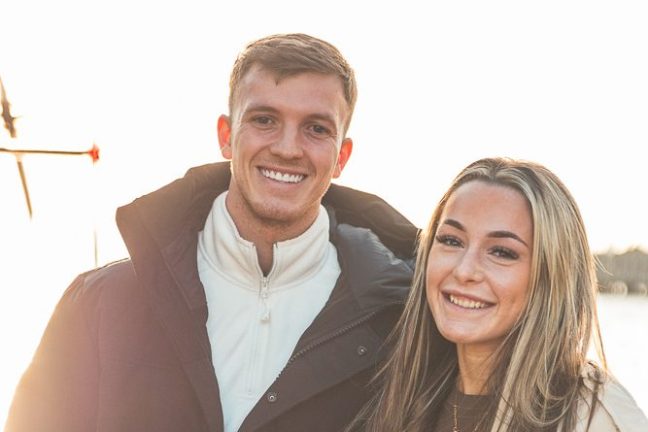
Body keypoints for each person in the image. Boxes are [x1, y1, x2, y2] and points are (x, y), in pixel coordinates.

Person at [4, 34, 419, 432]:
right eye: (264, 119)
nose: (288, 148)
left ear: (342, 155)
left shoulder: (403, 325)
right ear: (226, 135)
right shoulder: (99, 305)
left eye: (316, 128)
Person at [352, 157, 648, 431]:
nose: (465, 270)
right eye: (451, 240)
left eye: (502, 252)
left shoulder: (595, 415)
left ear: (550, 277)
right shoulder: (404, 396)